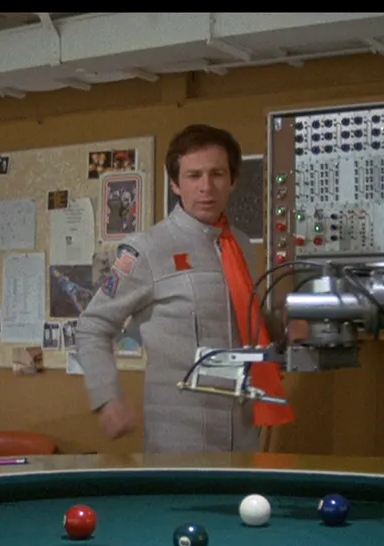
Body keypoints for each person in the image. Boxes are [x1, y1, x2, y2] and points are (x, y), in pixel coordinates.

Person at [73, 124, 295, 453]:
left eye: (217, 174)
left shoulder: (240, 245)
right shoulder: (146, 248)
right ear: (176, 184)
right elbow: (92, 326)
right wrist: (107, 397)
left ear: (233, 180)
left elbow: (244, 319)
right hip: (180, 438)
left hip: (244, 430)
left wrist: (287, 327)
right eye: (193, 176)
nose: (206, 187)